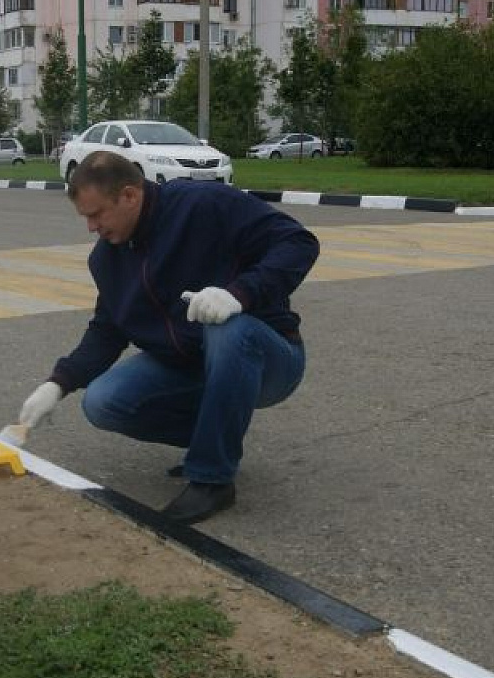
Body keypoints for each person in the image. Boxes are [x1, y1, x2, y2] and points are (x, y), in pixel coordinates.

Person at [16, 151, 320, 524]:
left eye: (96, 214)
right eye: (86, 217)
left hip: (268, 357)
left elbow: (299, 243)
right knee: (103, 402)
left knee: (227, 328)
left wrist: (239, 294)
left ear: (129, 195)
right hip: (188, 366)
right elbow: (107, 331)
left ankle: (213, 480)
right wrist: (58, 383)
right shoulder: (107, 259)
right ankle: (215, 437)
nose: (91, 228)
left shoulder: (204, 205)